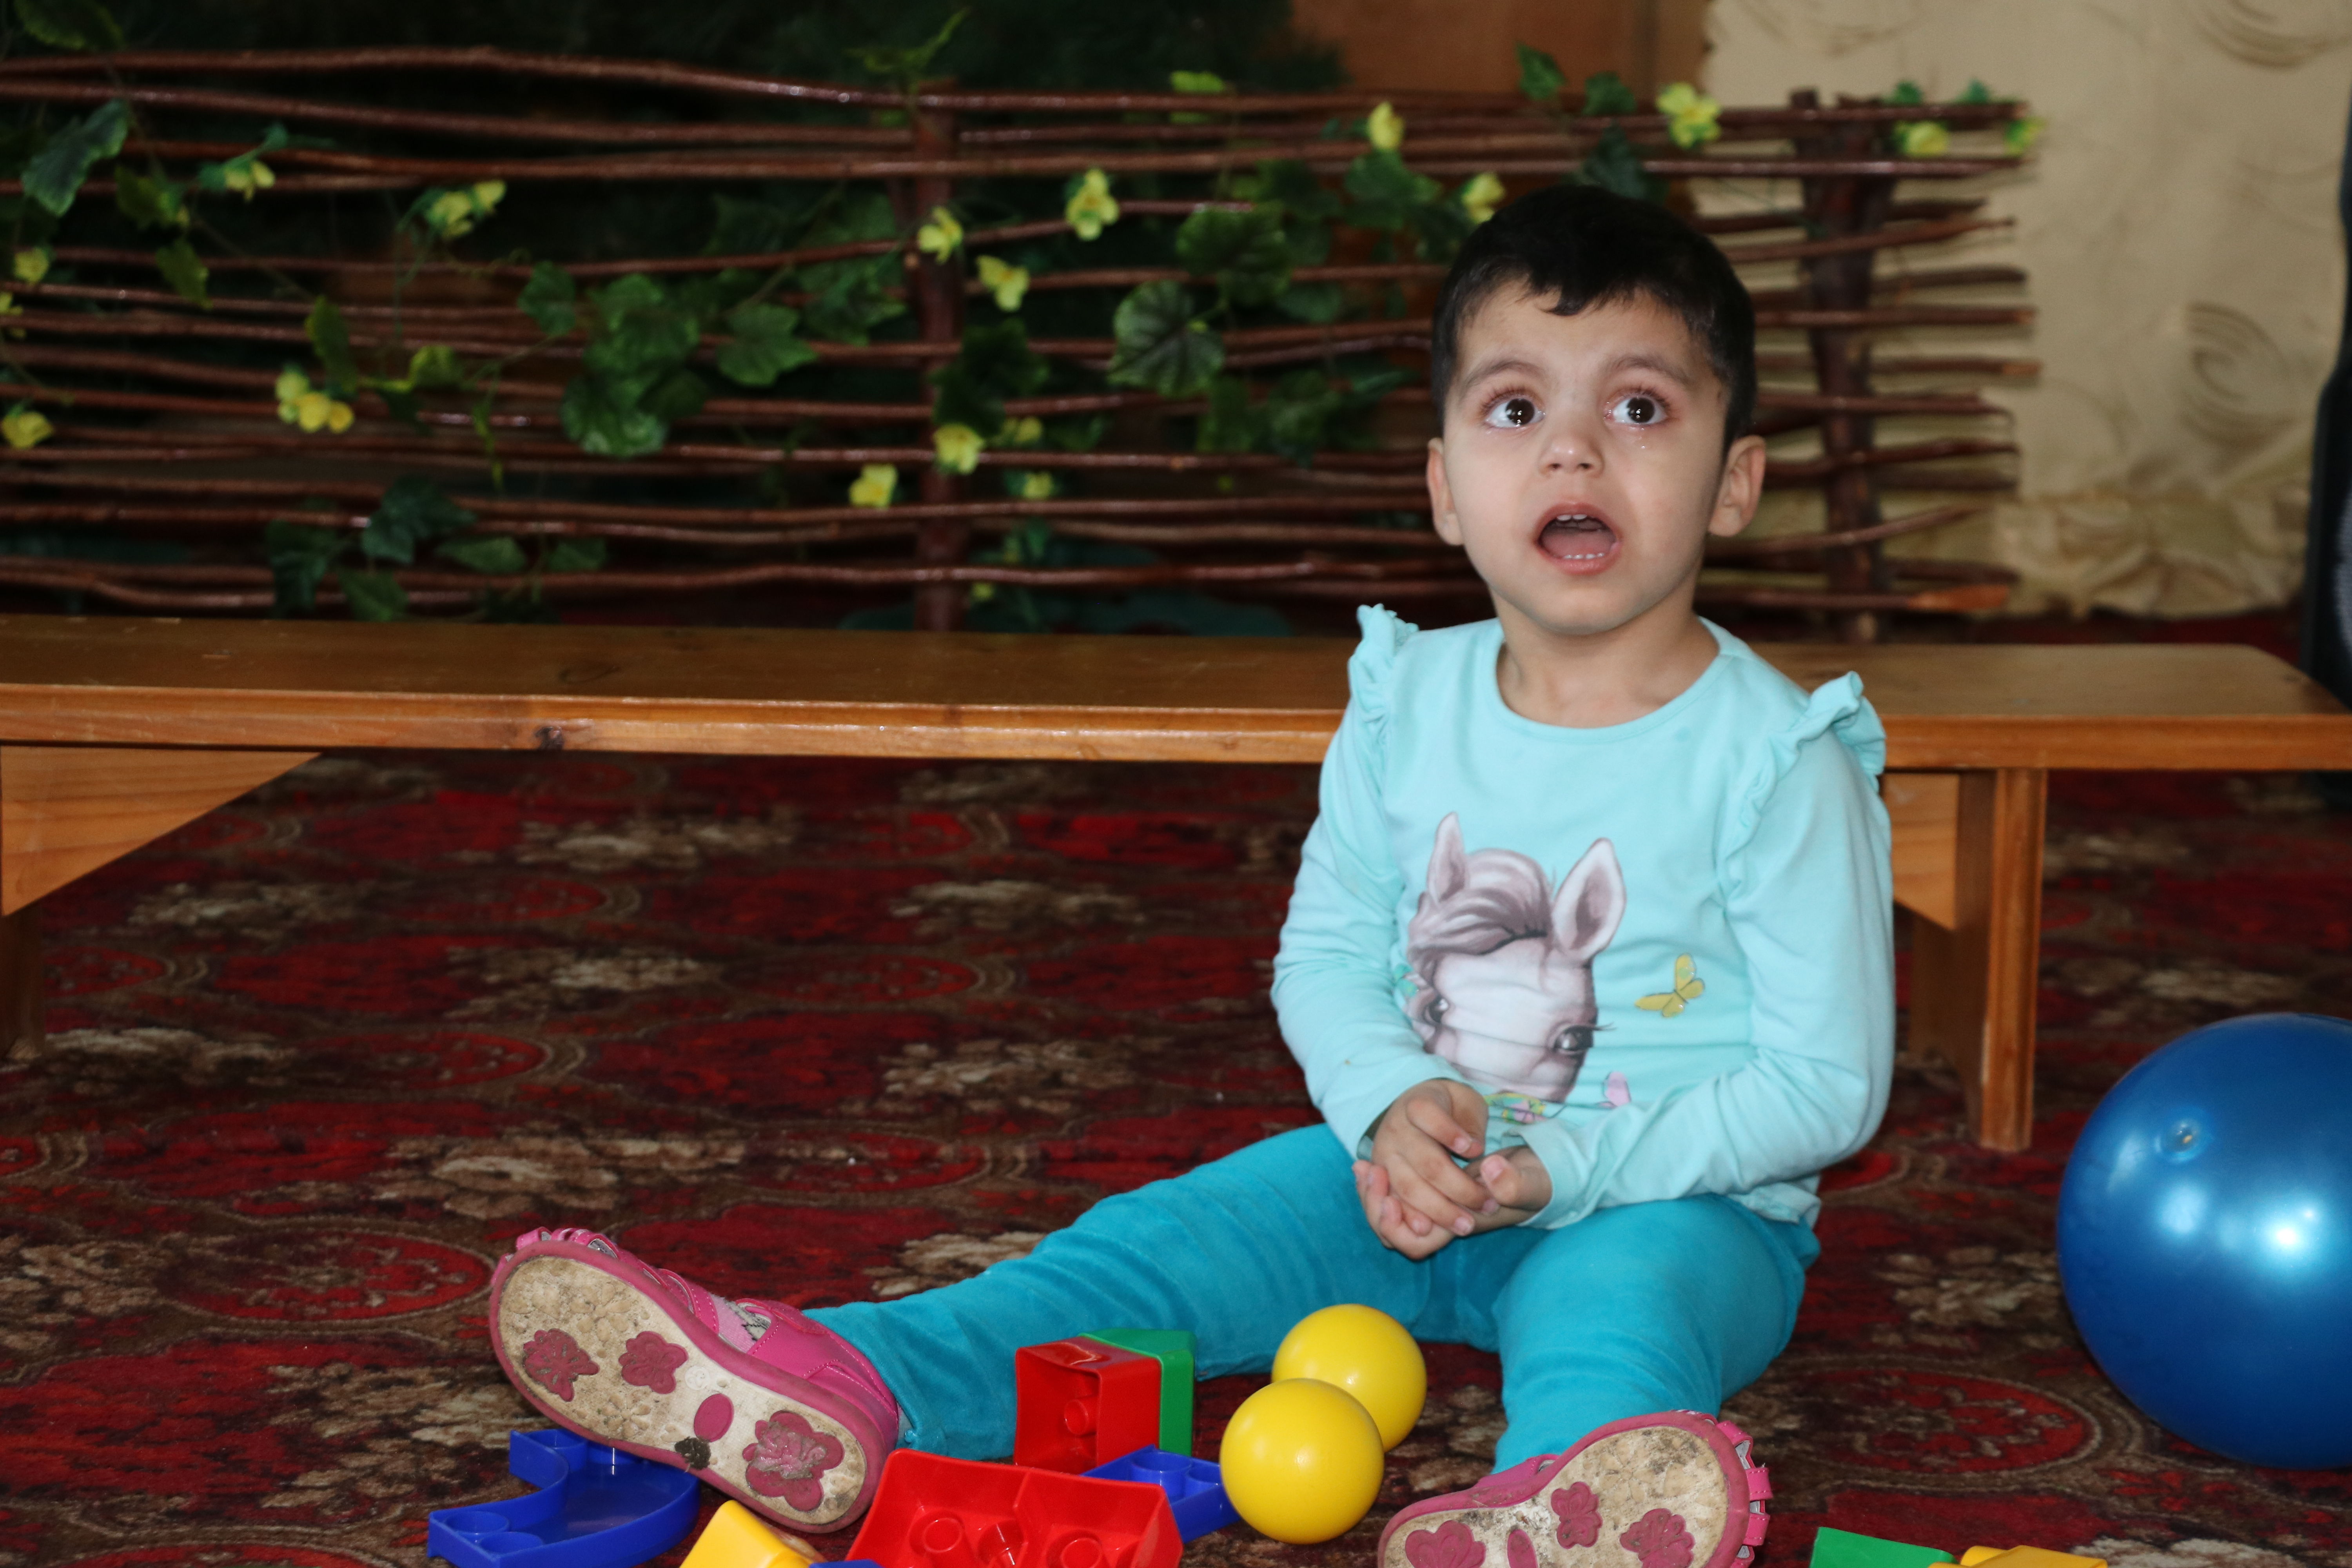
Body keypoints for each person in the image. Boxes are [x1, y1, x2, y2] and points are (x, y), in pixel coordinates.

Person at [482, 183, 1895, 1568]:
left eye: (1638, 409)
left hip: (1678, 1209)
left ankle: (1572, 1518)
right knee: (1152, 1251)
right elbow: (1326, 957)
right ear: (1444, 488)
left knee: (1620, 1320)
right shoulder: (1406, 701)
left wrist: (1572, 1168)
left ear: (1737, 482)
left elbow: (1825, 1085)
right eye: (1516, 410)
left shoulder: (1778, 760)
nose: (1573, 451)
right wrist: (1389, 1103)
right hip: (1402, 1183)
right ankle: (848, 1376)